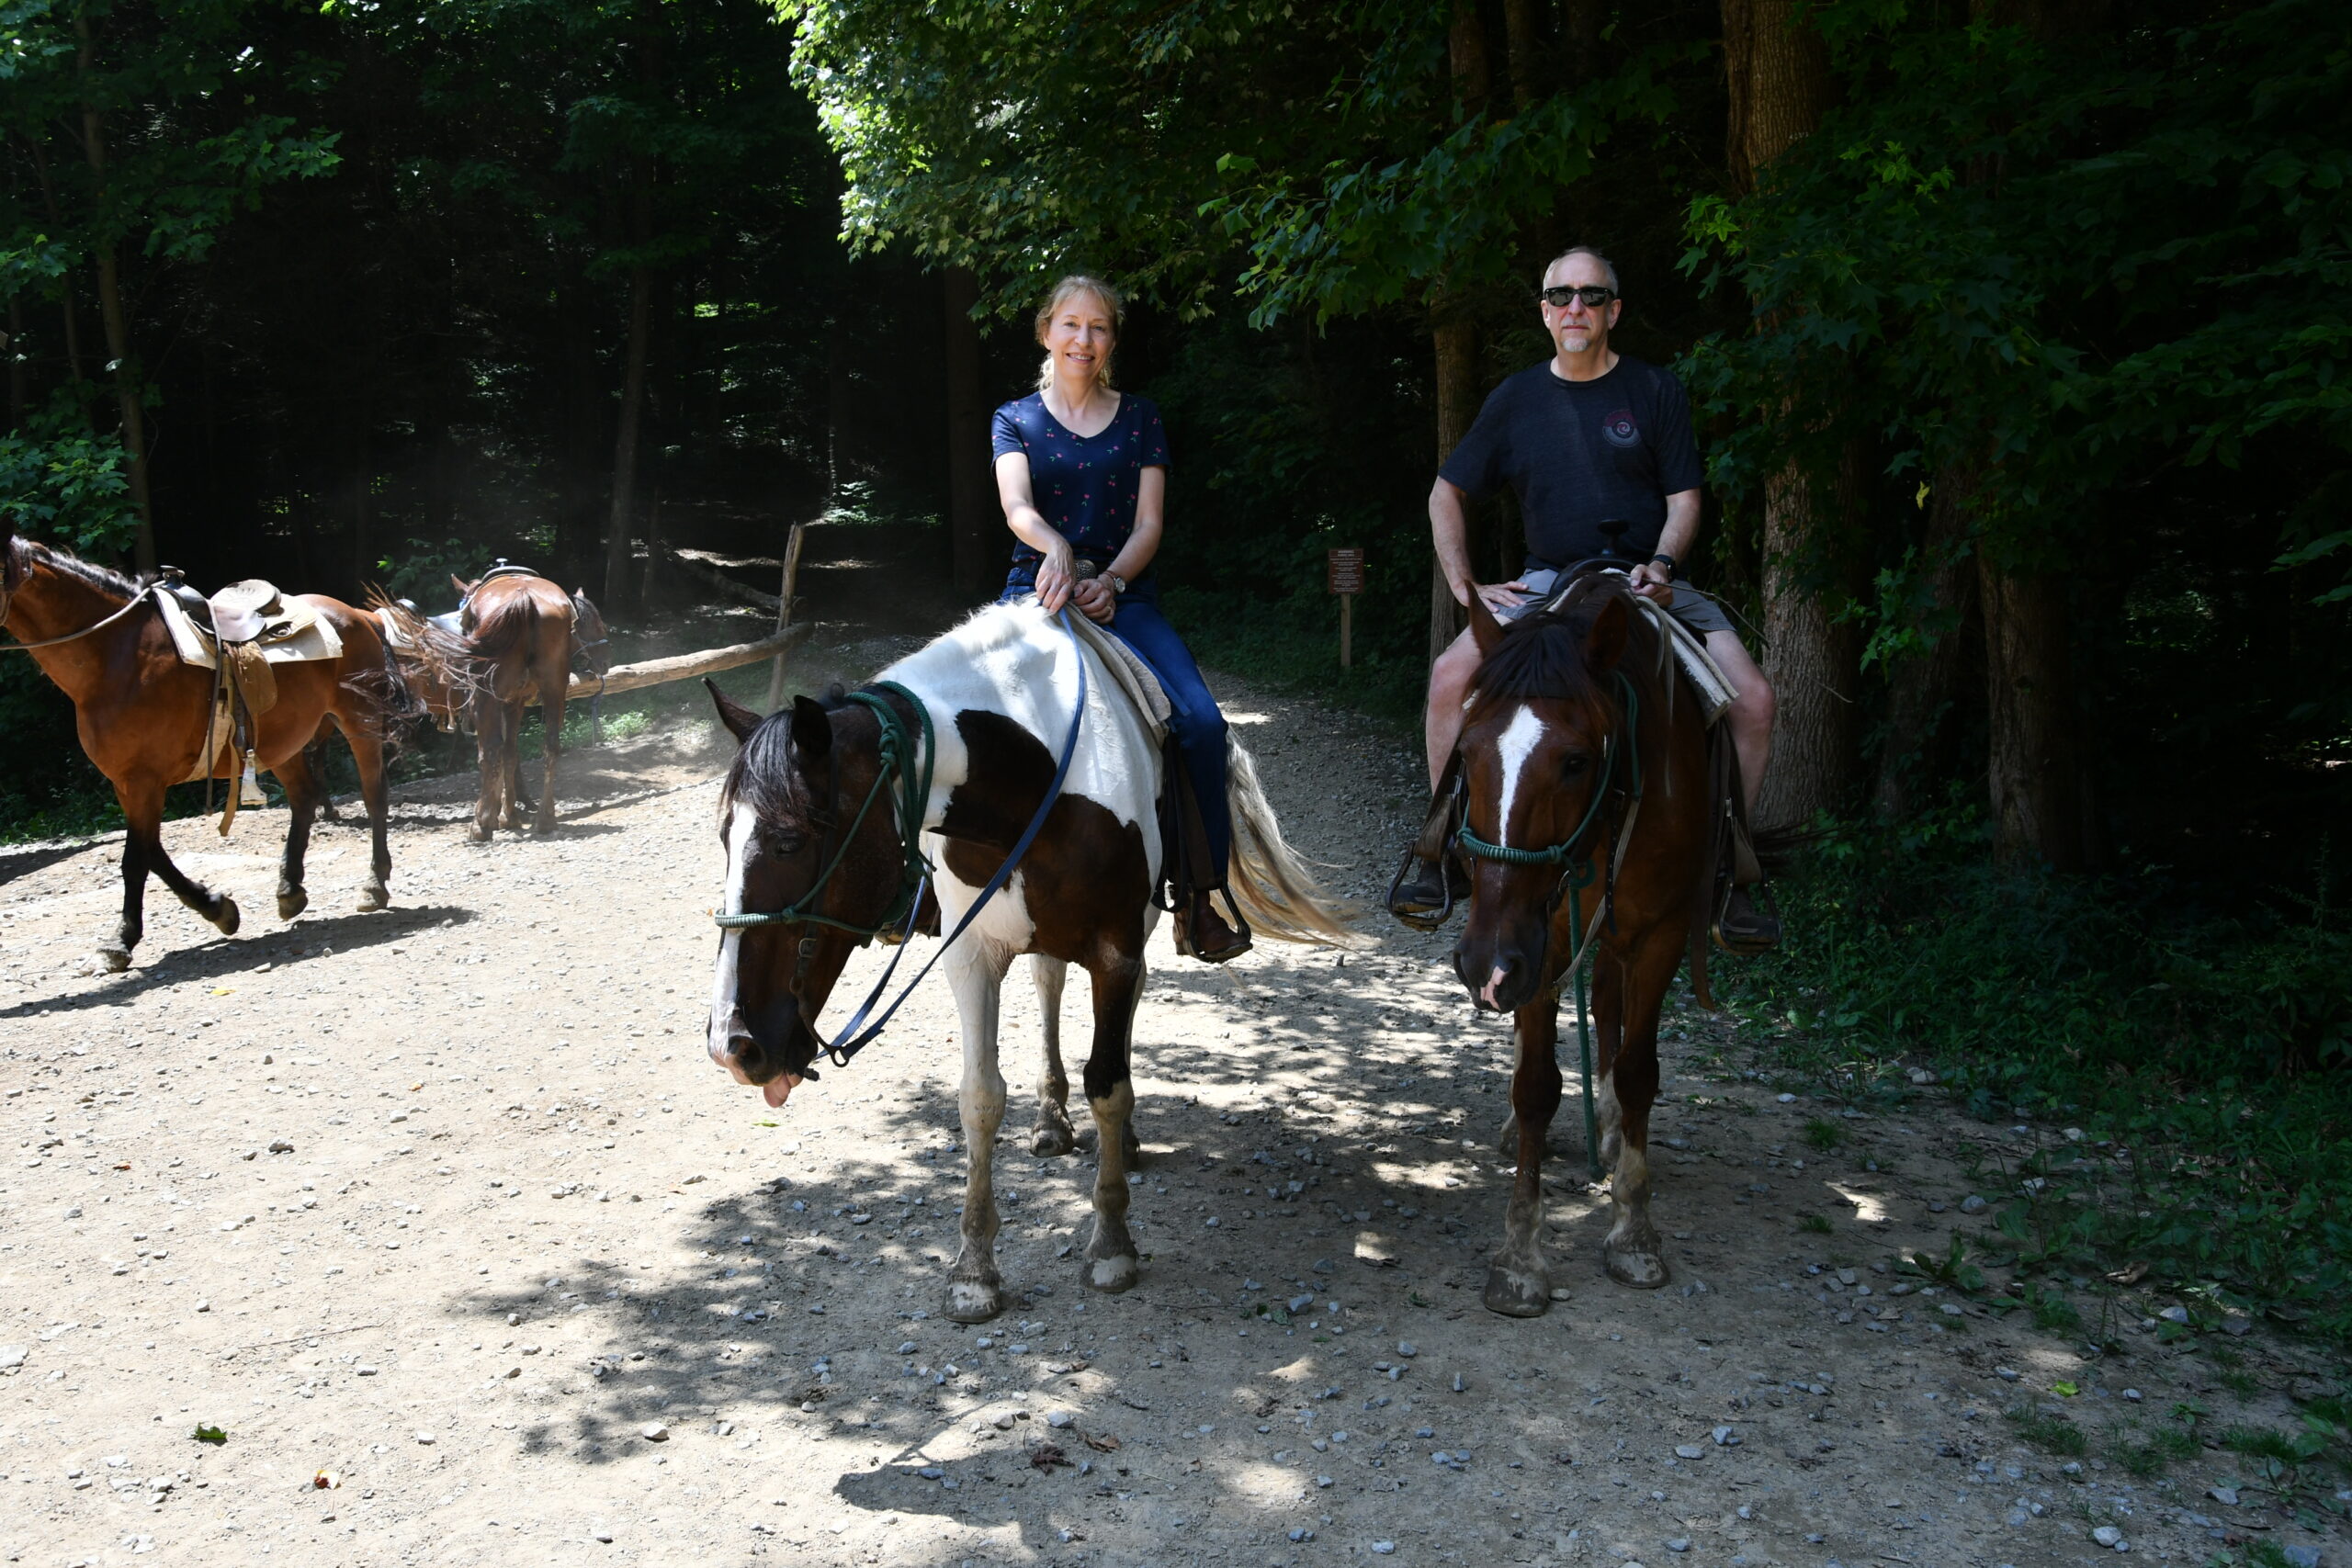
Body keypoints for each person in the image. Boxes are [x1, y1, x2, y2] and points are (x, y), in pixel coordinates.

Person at [1388, 245, 1781, 950]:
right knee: (1450, 677)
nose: (1577, 307)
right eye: (1562, 296)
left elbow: (1685, 496)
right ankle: (1442, 849)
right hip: (1547, 583)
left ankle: (1728, 868)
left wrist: (1662, 562)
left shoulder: (1655, 391)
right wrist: (1465, 584)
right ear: (1544, 311)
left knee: (1754, 700)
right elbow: (1446, 492)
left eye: (1592, 296)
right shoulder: (1516, 398)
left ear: (1614, 310)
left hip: (1646, 581)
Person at [992, 273, 1250, 963]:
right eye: (1071, 325)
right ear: (1047, 331)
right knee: (967, 708)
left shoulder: (1140, 417)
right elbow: (1018, 509)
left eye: (1098, 327)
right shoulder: (1014, 417)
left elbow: (1150, 523)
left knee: (1201, 722)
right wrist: (1059, 550)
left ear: (1111, 340)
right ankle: (931, 883)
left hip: (1123, 594)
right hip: (1037, 587)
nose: (1084, 339)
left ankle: (1201, 896)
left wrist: (1109, 579)